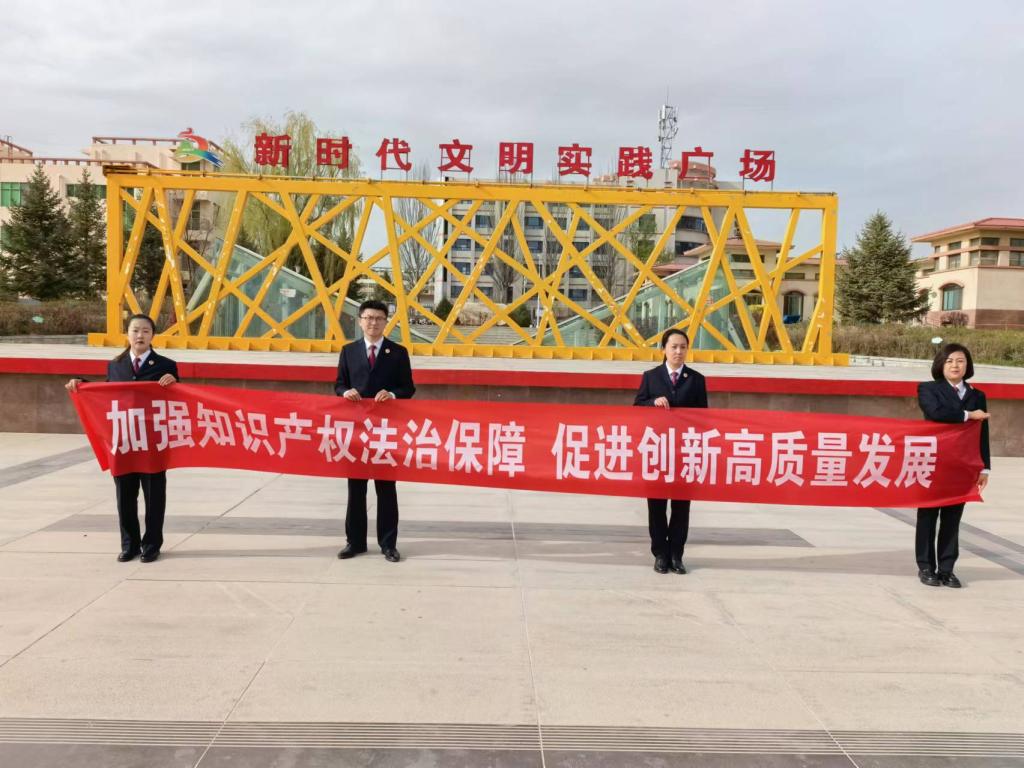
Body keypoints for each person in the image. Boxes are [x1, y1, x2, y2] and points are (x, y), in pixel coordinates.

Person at [66, 314, 179, 563]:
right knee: (124, 496)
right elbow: (108, 392)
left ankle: (152, 544)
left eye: (146, 331)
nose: (140, 335)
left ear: (153, 335)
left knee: (154, 496)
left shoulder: (167, 366)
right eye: (135, 330)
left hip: (151, 443)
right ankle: (129, 545)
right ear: (127, 334)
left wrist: (174, 381)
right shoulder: (115, 365)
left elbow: (178, 398)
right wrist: (82, 385)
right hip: (124, 441)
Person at [334, 300, 416, 563]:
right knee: (356, 489)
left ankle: (388, 544)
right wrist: (345, 392)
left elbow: (408, 388)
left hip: (385, 431)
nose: (373, 322)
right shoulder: (348, 351)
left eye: (379, 318)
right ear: (360, 321)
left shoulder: (398, 352)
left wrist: (392, 394)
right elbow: (339, 384)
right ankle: (355, 542)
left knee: (386, 489)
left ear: (386, 322)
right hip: (357, 431)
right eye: (368, 318)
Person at [915, 343, 990, 588]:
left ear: (967, 365)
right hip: (932, 461)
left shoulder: (977, 395)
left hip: (962, 465)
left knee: (952, 519)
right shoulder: (928, 389)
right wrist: (968, 415)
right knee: (928, 515)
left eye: (960, 361)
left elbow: (982, 432)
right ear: (941, 365)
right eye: (949, 361)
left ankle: (947, 569)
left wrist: (984, 467)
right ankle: (926, 567)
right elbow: (935, 412)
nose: (955, 365)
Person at [633, 328, 708, 574]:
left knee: (681, 506)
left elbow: (704, 418)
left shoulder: (696, 380)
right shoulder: (650, 377)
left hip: (684, 453)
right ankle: (660, 554)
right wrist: (651, 403)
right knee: (656, 506)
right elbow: (637, 408)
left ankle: (676, 555)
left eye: (683, 347)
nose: (678, 351)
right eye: (674, 346)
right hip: (657, 452)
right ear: (664, 349)